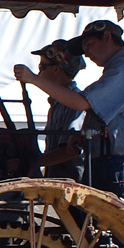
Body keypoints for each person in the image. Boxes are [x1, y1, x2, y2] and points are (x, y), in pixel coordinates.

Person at [14, 19, 124, 199]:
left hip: (120, 162)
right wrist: (85, 135)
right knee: (99, 221)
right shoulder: (119, 70)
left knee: (112, 220)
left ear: (107, 37)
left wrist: (33, 78)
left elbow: (82, 103)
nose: (86, 53)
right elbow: (108, 116)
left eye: (89, 44)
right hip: (110, 160)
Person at [30, 38, 87, 181]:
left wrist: (32, 163)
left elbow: (68, 152)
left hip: (72, 187)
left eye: (42, 67)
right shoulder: (57, 104)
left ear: (56, 69)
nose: (38, 73)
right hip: (60, 184)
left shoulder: (73, 103)